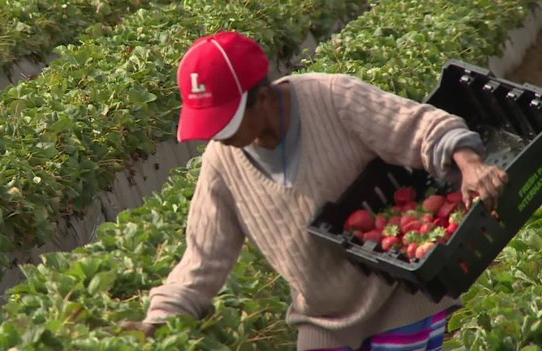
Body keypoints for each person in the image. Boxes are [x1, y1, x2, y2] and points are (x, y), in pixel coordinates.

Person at [121, 31, 508, 350]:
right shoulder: (221, 164)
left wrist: (470, 164)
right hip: (322, 319)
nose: (218, 134)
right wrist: (159, 321)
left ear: (262, 97)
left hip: (399, 301)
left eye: (226, 119)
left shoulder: (332, 98)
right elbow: (202, 259)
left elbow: (422, 127)